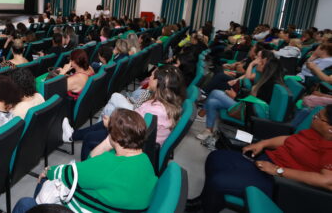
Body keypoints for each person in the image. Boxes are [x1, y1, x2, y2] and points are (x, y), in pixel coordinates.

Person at [187, 105, 332, 213]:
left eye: (318, 117)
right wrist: (262, 144)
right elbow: (289, 139)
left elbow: (327, 182)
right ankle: (203, 201)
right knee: (216, 157)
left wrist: (278, 171)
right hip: (269, 161)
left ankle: (204, 209)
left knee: (219, 182)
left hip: (282, 182)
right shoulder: (315, 132)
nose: (314, 118)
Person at [13, 109, 158, 213]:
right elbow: (90, 165)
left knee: (25, 203)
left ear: (116, 137)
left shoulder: (110, 165)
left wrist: (48, 171)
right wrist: (109, 142)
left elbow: (66, 174)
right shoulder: (144, 160)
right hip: (110, 206)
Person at [69, 65, 185, 159]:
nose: (149, 78)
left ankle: (84, 178)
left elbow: (132, 130)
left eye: (152, 76)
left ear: (160, 83)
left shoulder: (156, 109)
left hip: (136, 144)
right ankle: (72, 135)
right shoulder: (168, 103)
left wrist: (111, 124)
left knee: (90, 138)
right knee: (104, 122)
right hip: (140, 137)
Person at [197, 56, 285, 142]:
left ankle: (202, 114)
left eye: (261, 63)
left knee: (215, 93)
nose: (258, 63)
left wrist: (235, 97)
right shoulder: (263, 79)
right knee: (213, 102)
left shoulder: (269, 86)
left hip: (250, 114)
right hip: (246, 107)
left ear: (267, 69)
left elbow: (255, 104)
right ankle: (209, 130)